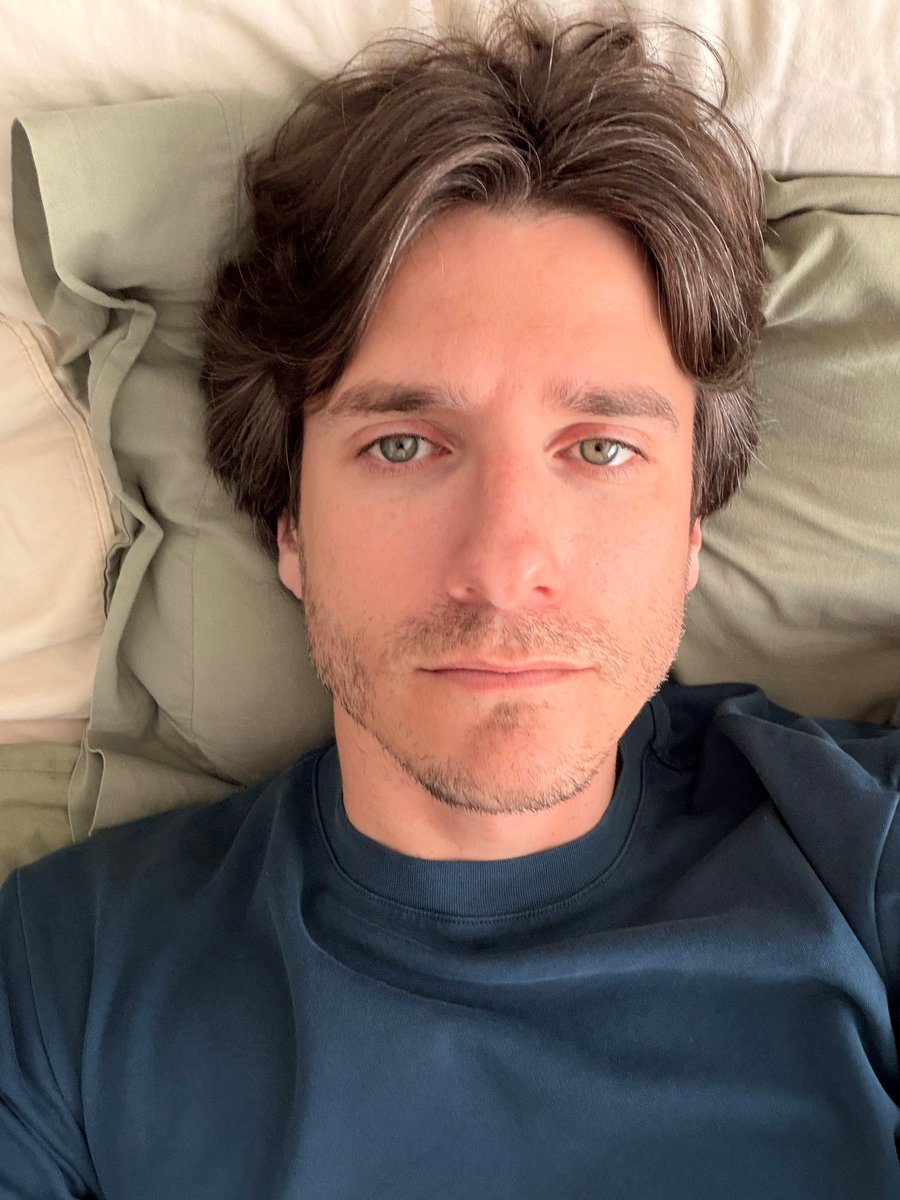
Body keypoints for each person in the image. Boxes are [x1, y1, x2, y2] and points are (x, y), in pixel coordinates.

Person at [1, 5, 898, 1197]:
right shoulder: (69, 976)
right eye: (405, 446)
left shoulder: (864, 853)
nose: (502, 567)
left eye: (601, 449)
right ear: (290, 527)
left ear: (693, 527)